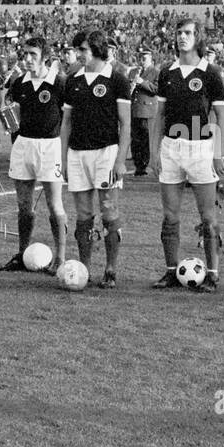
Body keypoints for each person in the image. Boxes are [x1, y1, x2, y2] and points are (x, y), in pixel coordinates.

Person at [149, 19, 224, 292]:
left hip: (201, 149)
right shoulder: (167, 72)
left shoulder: (211, 72)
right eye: (179, 33)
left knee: (208, 216)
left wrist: (219, 153)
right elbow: (159, 115)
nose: (182, 37)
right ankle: (171, 271)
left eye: (188, 33)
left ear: (198, 37)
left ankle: (214, 274)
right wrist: (154, 151)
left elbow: (222, 115)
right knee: (170, 215)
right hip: (171, 148)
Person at [60, 29, 131, 288]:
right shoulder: (72, 80)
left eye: (83, 50)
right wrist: (64, 159)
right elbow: (66, 123)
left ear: (98, 51)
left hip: (106, 152)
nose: (78, 55)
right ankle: (84, 268)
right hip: (77, 153)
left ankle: (111, 269)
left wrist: (120, 160)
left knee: (109, 211)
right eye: (77, 49)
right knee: (83, 214)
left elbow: (126, 123)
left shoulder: (117, 79)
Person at [0, 36, 68, 274]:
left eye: (33, 55)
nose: (27, 59)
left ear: (45, 58)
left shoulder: (59, 82)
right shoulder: (19, 83)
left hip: (50, 146)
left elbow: (68, 117)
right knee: (24, 205)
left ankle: (60, 257)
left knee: (54, 204)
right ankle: (22, 253)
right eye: (25, 54)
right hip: (23, 144)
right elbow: (11, 113)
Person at [129, 47, 158, 175]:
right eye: (140, 57)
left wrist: (142, 82)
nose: (142, 60)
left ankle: (144, 165)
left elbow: (156, 89)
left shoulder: (155, 72)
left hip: (146, 109)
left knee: (145, 139)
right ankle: (138, 165)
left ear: (151, 58)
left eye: (144, 58)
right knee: (135, 139)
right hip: (134, 109)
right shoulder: (133, 71)